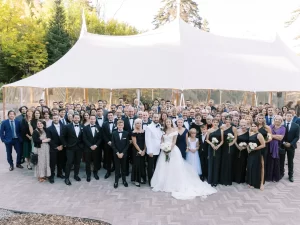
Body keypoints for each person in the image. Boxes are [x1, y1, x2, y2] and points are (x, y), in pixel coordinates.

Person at [151, 118, 217, 200]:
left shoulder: (174, 130)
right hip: (164, 151)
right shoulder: (163, 131)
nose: (168, 123)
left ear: (171, 123)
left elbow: (174, 141)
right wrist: (163, 148)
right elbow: (162, 141)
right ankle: (161, 182)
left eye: (169, 122)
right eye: (166, 122)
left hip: (172, 150)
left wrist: (169, 150)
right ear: (165, 123)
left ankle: (174, 182)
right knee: (163, 166)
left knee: (174, 166)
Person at [61, 114, 84, 186]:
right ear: (73, 118)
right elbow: (62, 136)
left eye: (78, 118)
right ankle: (66, 178)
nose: (77, 119)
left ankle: (76, 175)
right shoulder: (67, 126)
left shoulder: (82, 126)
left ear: (79, 119)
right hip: (70, 148)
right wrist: (65, 144)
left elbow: (83, 137)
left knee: (77, 163)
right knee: (69, 163)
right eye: (75, 118)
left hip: (79, 148)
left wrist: (82, 145)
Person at [83, 115, 102, 182]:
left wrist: (96, 145)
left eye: (93, 119)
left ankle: (95, 173)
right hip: (88, 148)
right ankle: (88, 174)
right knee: (87, 162)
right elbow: (84, 138)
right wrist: (90, 146)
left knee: (95, 161)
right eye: (91, 119)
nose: (92, 120)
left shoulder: (99, 127)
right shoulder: (85, 128)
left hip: (96, 148)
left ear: (95, 120)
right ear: (89, 120)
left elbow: (100, 138)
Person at [266, 115, 285, 182]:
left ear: (281, 121)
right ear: (274, 120)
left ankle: (275, 177)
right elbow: (268, 136)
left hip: (277, 147)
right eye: (276, 119)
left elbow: (281, 138)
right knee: (269, 161)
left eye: (279, 119)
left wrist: (272, 136)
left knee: (276, 162)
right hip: (269, 145)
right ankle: (269, 177)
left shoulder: (283, 128)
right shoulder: (270, 127)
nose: (277, 120)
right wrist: (276, 136)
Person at [281, 111, 300, 182]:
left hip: (291, 146)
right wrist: (283, 142)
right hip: (283, 145)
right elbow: (281, 135)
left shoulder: (296, 126)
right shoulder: (282, 125)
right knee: (282, 160)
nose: (289, 117)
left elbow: (297, 137)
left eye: (290, 116)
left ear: (292, 117)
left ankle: (290, 175)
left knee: (290, 161)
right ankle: (281, 173)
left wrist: (291, 143)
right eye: (287, 115)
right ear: (285, 116)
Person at [47, 115, 65, 184]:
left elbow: (65, 137)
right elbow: (49, 139)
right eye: (54, 118)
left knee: (60, 161)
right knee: (53, 163)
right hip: (53, 148)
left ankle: (59, 174)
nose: (56, 119)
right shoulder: (49, 128)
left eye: (57, 118)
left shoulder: (64, 127)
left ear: (59, 119)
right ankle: (51, 176)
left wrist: (62, 145)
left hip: (62, 147)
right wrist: (56, 146)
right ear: (52, 119)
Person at [247, 122, 265, 190]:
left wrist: (254, 148)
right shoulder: (251, 133)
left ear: (257, 127)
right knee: (250, 166)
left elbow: (263, 145)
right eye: (252, 126)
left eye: (255, 126)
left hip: (257, 153)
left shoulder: (259, 135)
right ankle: (251, 182)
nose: (253, 127)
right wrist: (248, 148)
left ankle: (258, 183)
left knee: (256, 167)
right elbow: (249, 143)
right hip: (251, 153)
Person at [145, 113, 163, 186]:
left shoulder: (160, 126)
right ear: (152, 118)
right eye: (154, 117)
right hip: (152, 151)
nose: (156, 119)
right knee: (150, 167)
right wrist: (149, 151)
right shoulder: (149, 127)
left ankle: (156, 180)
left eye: (157, 117)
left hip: (159, 149)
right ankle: (150, 180)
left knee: (157, 166)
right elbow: (147, 140)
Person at [111, 120, 129, 189]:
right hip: (116, 154)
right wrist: (117, 153)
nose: (120, 126)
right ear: (117, 125)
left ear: (123, 126)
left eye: (121, 125)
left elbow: (127, 144)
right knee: (117, 168)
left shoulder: (126, 133)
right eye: (119, 125)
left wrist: (123, 153)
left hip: (124, 154)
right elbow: (113, 144)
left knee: (123, 168)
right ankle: (116, 181)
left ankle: (124, 180)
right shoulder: (114, 133)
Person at [219, 116, 237, 186]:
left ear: (231, 120)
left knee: (229, 162)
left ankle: (228, 179)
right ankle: (222, 179)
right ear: (224, 120)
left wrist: (232, 143)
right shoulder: (222, 127)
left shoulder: (233, 128)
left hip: (230, 146)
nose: (228, 121)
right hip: (223, 146)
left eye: (229, 120)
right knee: (223, 162)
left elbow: (235, 137)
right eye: (227, 120)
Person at [206, 118, 224, 187]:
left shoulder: (221, 131)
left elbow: (222, 140)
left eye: (217, 122)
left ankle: (215, 180)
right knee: (211, 163)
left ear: (218, 123)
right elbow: (207, 139)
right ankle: (210, 180)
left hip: (218, 149)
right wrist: (212, 144)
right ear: (212, 122)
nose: (215, 123)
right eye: (214, 122)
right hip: (211, 148)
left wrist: (218, 146)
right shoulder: (209, 130)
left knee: (216, 164)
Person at [131, 119, 146, 187]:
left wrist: (144, 150)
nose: (139, 124)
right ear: (135, 124)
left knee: (142, 165)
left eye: (140, 123)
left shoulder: (144, 131)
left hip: (143, 150)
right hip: (136, 151)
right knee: (136, 165)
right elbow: (134, 143)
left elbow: (146, 141)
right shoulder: (133, 132)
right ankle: (136, 180)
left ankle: (141, 178)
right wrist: (140, 151)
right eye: (137, 123)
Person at [257, 113, 272, 184]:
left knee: (262, 163)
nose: (260, 120)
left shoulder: (267, 127)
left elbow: (269, 138)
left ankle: (262, 179)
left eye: (261, 118)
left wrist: (263, 142)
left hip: (263, 147)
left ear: (264, 119)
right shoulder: (254, 126)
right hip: (255, 147)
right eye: (259, 118)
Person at [233, 119, 249, 183]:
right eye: (242, 125)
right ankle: (235, 178)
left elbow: (249, 141)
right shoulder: (237, 131)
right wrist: (238, 147)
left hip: (244, 151)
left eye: (244, 125)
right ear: (240, 125)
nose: (243, 127)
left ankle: (242, 178)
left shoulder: (249, 132)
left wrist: (244, 147)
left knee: (243, 164)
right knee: (236, 164)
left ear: (247, 125)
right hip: (237, 150)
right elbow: (234, 140)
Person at [102, 112, 116, 178]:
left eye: (111, 115)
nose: (110, 116)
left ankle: (116, 170)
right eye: (109, 115)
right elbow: (103, 134)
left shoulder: (117, 123)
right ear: (107, 117)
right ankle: (108, 172)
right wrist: (108, 141)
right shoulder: (104, 124)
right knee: (108, 158)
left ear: (113, 116)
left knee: (115, 158)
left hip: (115, 144)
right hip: (107, 144)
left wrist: (113, 142)